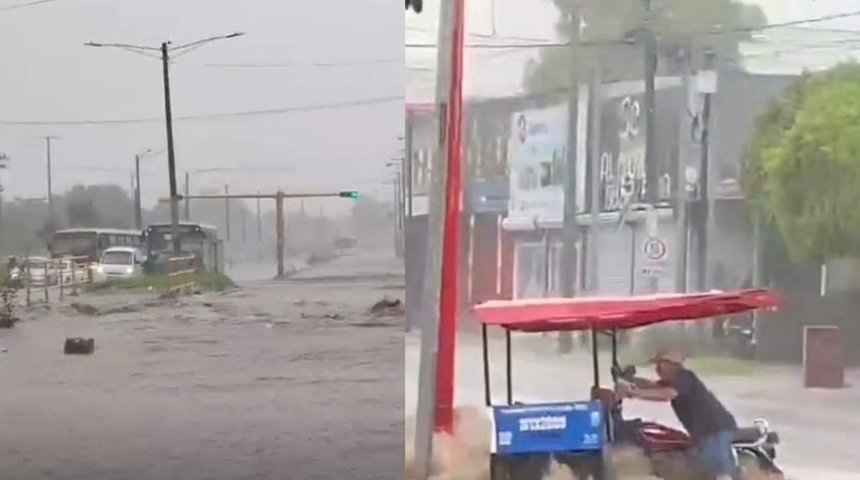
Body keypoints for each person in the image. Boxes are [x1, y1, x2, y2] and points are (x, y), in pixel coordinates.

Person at [617, 349, 739, 480]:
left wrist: (633, 393)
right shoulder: (674, 380)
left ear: (672, 365)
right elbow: (652, 386)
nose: (657, 369)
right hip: (704, 432)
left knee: (716, 469)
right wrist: (630, 379)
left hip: (716, 430)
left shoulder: (684, 377)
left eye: (660, 364)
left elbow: (667, 394)